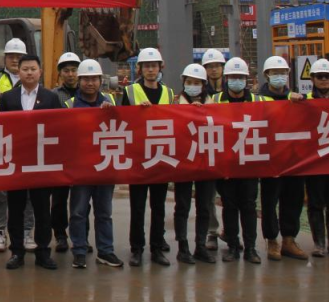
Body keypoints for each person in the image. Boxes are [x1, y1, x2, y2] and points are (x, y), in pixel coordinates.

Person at [0, 51, 65, 271]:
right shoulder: (8, 98)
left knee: (42, 209)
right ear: (18, 72)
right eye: (25, 69)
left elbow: (59, 127)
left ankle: (43, 252)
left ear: (40, 72)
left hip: (41, 162)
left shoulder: (50, 98)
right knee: (15, 209)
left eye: (33, 69)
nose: (29, 73)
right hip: (16, 162)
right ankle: (17, 252)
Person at [206, 58, 270, 264]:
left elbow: (280, 112)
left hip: (250, 163)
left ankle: (251, 248)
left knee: (249, 206)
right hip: (226, 164)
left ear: (247, 79)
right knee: (229, 206)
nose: (237, 81)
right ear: (226, 79)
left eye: (240, 77)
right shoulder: (214, 100)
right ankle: (233, 246)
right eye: (233, 77)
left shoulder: (258, 100)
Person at [66, 59, 122, 270]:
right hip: (81, 168)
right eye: (86, 79)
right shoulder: (70, 105)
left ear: (100, 81)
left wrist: (111, 112)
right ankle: (79, 251)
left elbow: (123, 127)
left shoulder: (111, 102)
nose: (90, 83)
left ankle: (105, 251)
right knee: (78, 212)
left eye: (94, 79)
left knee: (104, 212)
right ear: (79, 81)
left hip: (105, 166)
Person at [121, 47, 175, 268]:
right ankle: (137, 248)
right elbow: (123, 122)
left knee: (158, 207)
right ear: (140, 69)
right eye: (147, 66)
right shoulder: (130, 91)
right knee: (138, 207)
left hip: (160, 156)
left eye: (154, 66)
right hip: (139, 158)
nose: (151, 70)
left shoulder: (169, 93)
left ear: (160, 67)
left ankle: (156, 248)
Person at [257, 56, 309, 261]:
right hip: (270, 160)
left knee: (293, 199)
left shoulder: (296, 99)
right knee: (270, 201)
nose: (279, 76)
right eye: (275, 73)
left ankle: (289, 240)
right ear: (267, 75)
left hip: (293, 159)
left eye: (283, 73)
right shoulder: (257, 101)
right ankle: (272, 240)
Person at [295, 58, 329, 257]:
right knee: (315, 202)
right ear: (312, 79)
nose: (324, 80)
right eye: (319, 76)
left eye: (327, 76)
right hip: (314, 161)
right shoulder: (304, 100)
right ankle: (319, 244)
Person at [171, 64, 217, 265]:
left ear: (203, 84)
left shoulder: (213, 103)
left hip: (206, 162)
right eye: (189, 82)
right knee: (182, 206)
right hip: (184, 162)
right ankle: (183, 248)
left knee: (204, 206)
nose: (192, 85)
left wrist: (204, 113)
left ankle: (200, 246)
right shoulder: (175, 102)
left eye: (197, 82)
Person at [0, 38, 27, 254]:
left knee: (27, 191)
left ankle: (27, 231)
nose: (15, 60)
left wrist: (4, 98)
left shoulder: (30, 79)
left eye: (19, 57)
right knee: (0, 192)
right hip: (1, 142)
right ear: (5, 58)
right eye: (11, 56)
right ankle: (0, 231)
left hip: (25, 143)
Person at [50, 51, 81, 253]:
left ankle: (81, 236)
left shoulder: (88, 92)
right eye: (66, 71)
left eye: (74, 70)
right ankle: (60, 235)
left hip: (82, 154)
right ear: (60, 73)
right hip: (60, 154)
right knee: (59, 199)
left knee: (81, 200)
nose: (70, 74)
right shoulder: (53, 95)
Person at [200, 48, 226, 250]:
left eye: (217, 66)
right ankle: (212, 232)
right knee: (209, 197)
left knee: (231, 196)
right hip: (208, 149)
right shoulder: (200, 92)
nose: (214, 70)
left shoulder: (234, 90)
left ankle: (231, 232)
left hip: (231, 149)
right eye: (210, 67)